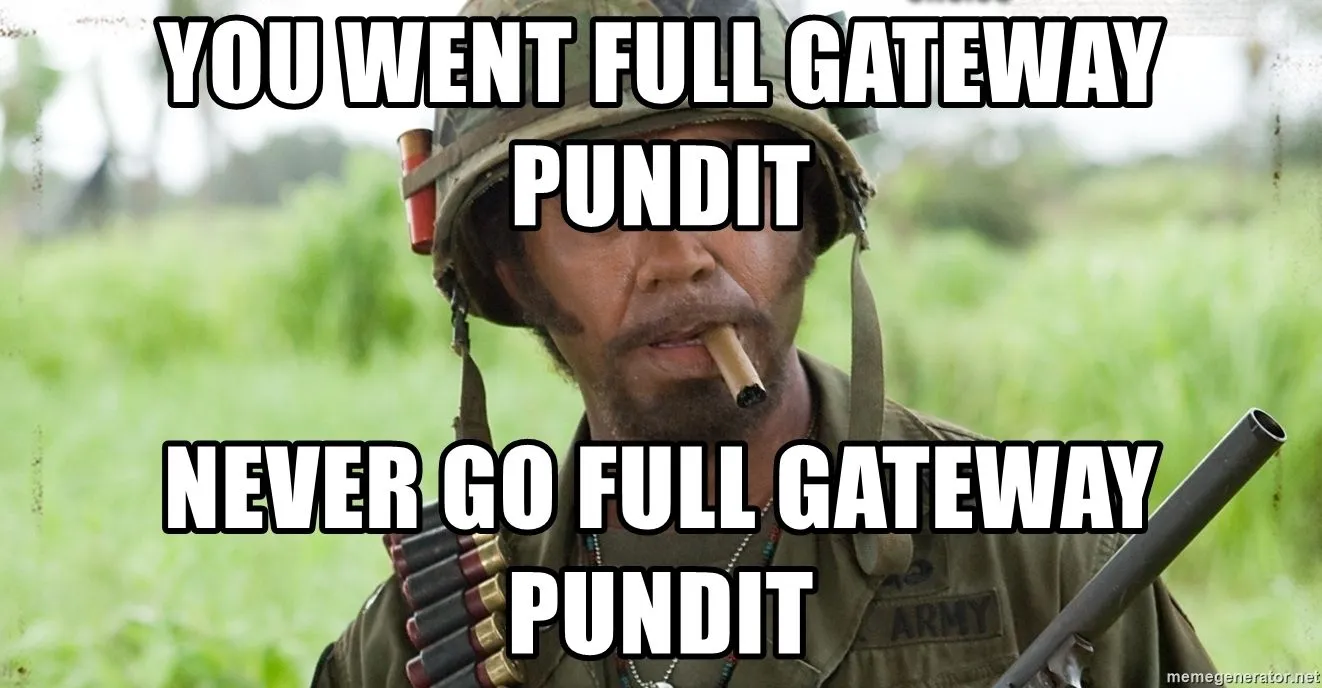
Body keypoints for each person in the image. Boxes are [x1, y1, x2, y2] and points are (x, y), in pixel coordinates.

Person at [311, 1, 1220, 686]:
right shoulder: (421, 636)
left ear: (812, 221)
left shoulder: (1042, 564)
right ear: (514, 272)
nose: (678, 256)